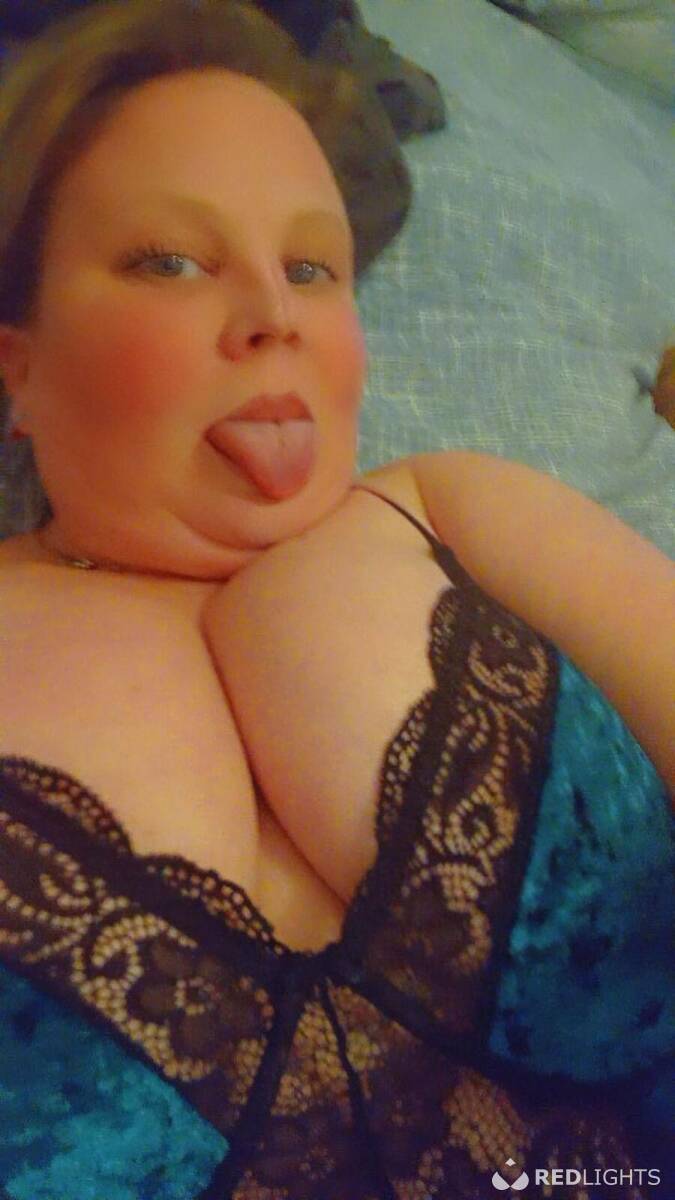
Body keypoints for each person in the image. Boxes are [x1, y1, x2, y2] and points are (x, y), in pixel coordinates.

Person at [0, 1, 673, 1196]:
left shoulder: (456, 512)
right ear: (18, 364)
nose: (277, 316)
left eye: (313, 267)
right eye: (172, 261)